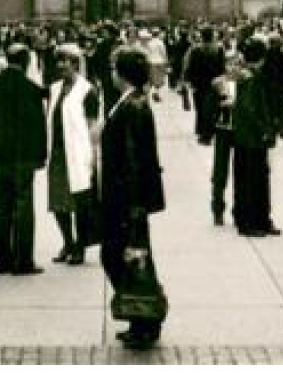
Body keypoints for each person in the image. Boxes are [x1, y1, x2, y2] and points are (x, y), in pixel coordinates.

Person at [100, 49, 167, 350]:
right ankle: (141, 317)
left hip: (126, 199)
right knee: (133, 259)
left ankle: (145, 318)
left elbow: (133, 160)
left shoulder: (134, 106)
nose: (111, 72)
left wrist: (135, 204)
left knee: (121, 256)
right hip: (126, 197)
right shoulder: (131, 102)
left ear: (122, 73)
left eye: (115, 68)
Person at [0, 44, 49, 275]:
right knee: (23, 205)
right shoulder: (32, 89)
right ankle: (23, 261)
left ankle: (1, 259)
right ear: (27, 61)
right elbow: (39, 126)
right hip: (23, 157)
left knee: (0, 206)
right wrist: (40, 157)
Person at [47, 43, 101, 265]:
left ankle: (80, 246)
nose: (60, 66)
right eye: (58, 61)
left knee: (80, 205)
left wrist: (92, 155)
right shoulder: (54, 88)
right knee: (58, 203)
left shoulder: (88, 90)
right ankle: (67, 242)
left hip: (79, 154)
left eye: (65, 61)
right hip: (58, 152)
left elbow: (93, 126)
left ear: (76, 64)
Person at [232, 38, 280, 237]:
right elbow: (252, 108)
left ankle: (257, 219)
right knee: (255, 179)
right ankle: (251, 221)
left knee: (252, 177)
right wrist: (265, 129)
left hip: (245, 135)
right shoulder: (252, 77)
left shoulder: (247, 75)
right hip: (252, 136)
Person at [208, 49, 243, 226]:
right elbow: (209, 107)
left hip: (240, 129)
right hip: (222, 129)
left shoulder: (245, 81)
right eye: (230, 63)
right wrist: (220, 105)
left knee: (240, 171)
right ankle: (217, 208)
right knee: (220, 171)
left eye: (237, 63)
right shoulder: (217, 83)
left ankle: (239, 210)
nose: (233, 67)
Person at [184, 28, 227, 145]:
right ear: (212, 36)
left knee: (200, 107)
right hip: (214, 83)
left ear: (202, 36)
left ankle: (202, 131)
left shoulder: (195, 49)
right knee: (212, 109)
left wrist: (189, 81)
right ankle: (208, 132)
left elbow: (190, 67)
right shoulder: (219, 49)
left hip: (198, 83)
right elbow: (222, 68)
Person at [144, 29, 170, 101]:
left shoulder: (149, 43)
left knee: (152, 79)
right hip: (160, 62)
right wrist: (166, 62)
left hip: (151, 62)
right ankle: (156, 93)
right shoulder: (160, 42)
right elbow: (163, 52)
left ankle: (150, 93)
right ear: (158, 34)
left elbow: (147, 52)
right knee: (159, 79)